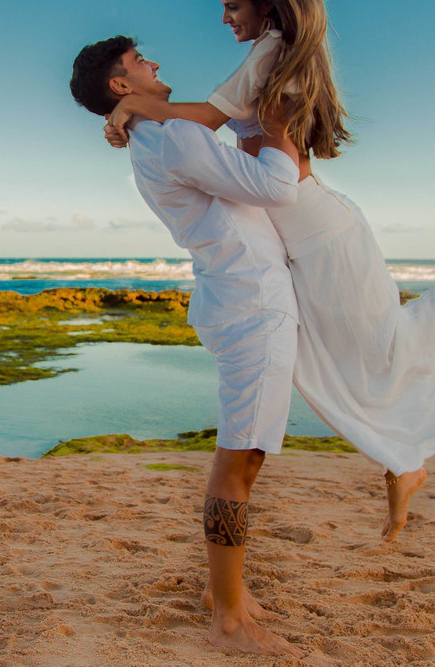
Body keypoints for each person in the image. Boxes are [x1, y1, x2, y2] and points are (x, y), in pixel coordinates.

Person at [101, 0, 435, 545]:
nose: (225, 18)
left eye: (231, 6)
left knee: (380, 347)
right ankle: (402, 461)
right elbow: (211, 125)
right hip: (303, 237)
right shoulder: (275, 51)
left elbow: (208, 119)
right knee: (341, 360)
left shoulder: (271, 49)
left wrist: (133, 103)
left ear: (264, 1)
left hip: (321, 230)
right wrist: (136, 107)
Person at [71, 36, 305, 657]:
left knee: (246, 458)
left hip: (241, 294)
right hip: (251, 302)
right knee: (238, 463)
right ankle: (227, 616)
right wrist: (279, 123)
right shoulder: (172, 136)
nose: (156, 65)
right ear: (122, 85)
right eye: (142, 61)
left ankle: (222, 593)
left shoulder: (159, 132)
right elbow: (278, 187)